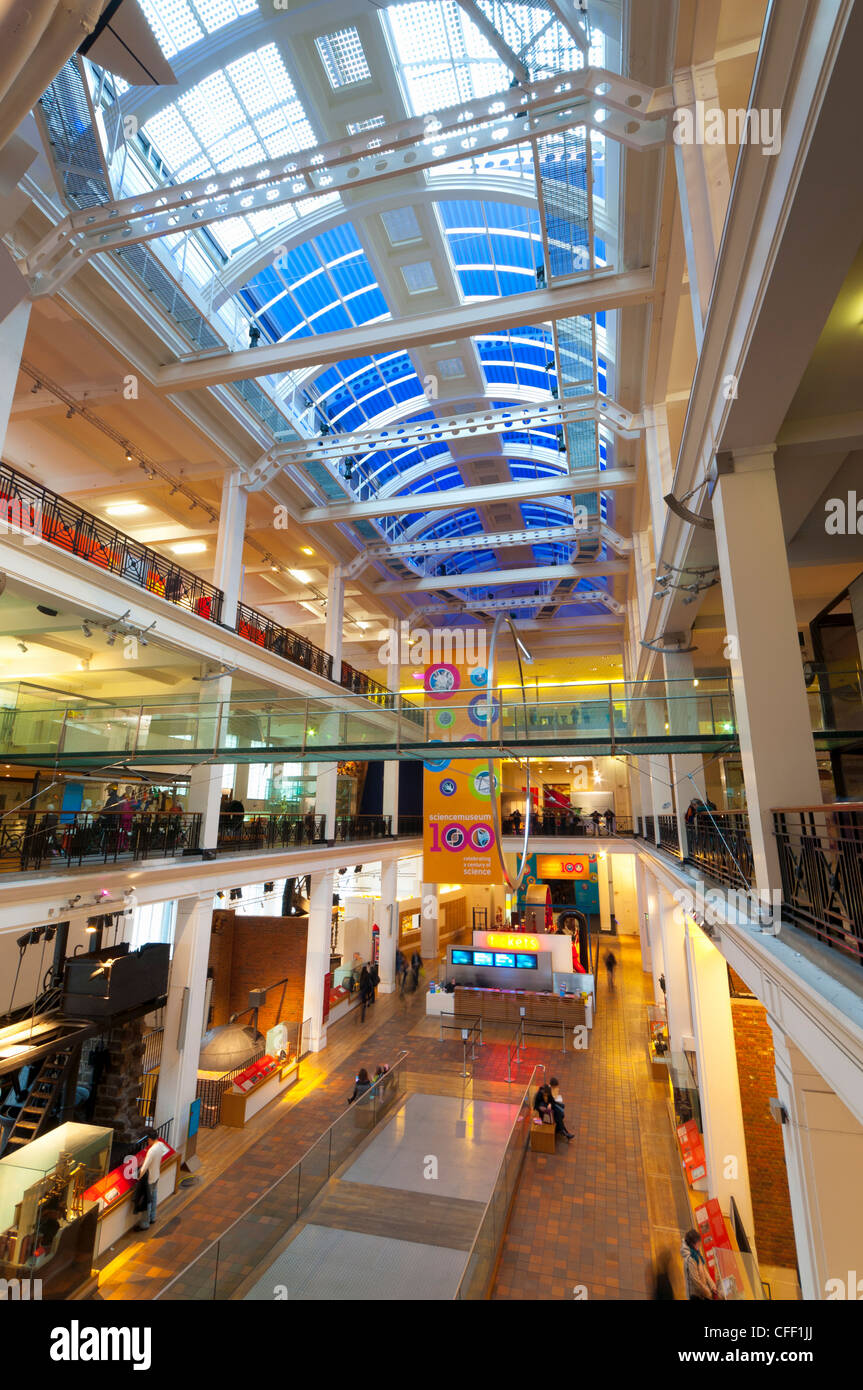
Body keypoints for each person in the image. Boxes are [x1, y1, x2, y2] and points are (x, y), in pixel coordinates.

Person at [134, 1129, 171, 1231]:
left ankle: (144, 1224)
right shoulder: (160, 1145)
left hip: (149, 1178)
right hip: (156, 1175)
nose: (147, 1143)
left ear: (150, 1139)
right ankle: (152, 1217)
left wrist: (139, 1176)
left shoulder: (152, 1150)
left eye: (148, 1141)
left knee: (147, 1201)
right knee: (154, 1197)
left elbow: (145, 1167)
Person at [681, 1228, 718, 1301]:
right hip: (695, 1296)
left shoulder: (697, 1254)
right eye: (698, 1242)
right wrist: (708, 1293)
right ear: (692, 1243)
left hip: (702, 1294)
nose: (700, 1244)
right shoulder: (690, 1258)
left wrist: (712, 1286)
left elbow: (705, 1272)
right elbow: (696, 1281)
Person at [548, 1077, 574, 1141]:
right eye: (554, 1087)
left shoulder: (554, 1088)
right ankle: (565, 1132)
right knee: (559, 1115)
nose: (556, 1088)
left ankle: (564, 1131)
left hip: (553, 1104)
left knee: (560, 1114)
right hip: (550, 1106)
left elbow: (555, 1096)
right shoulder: (547, 1090)